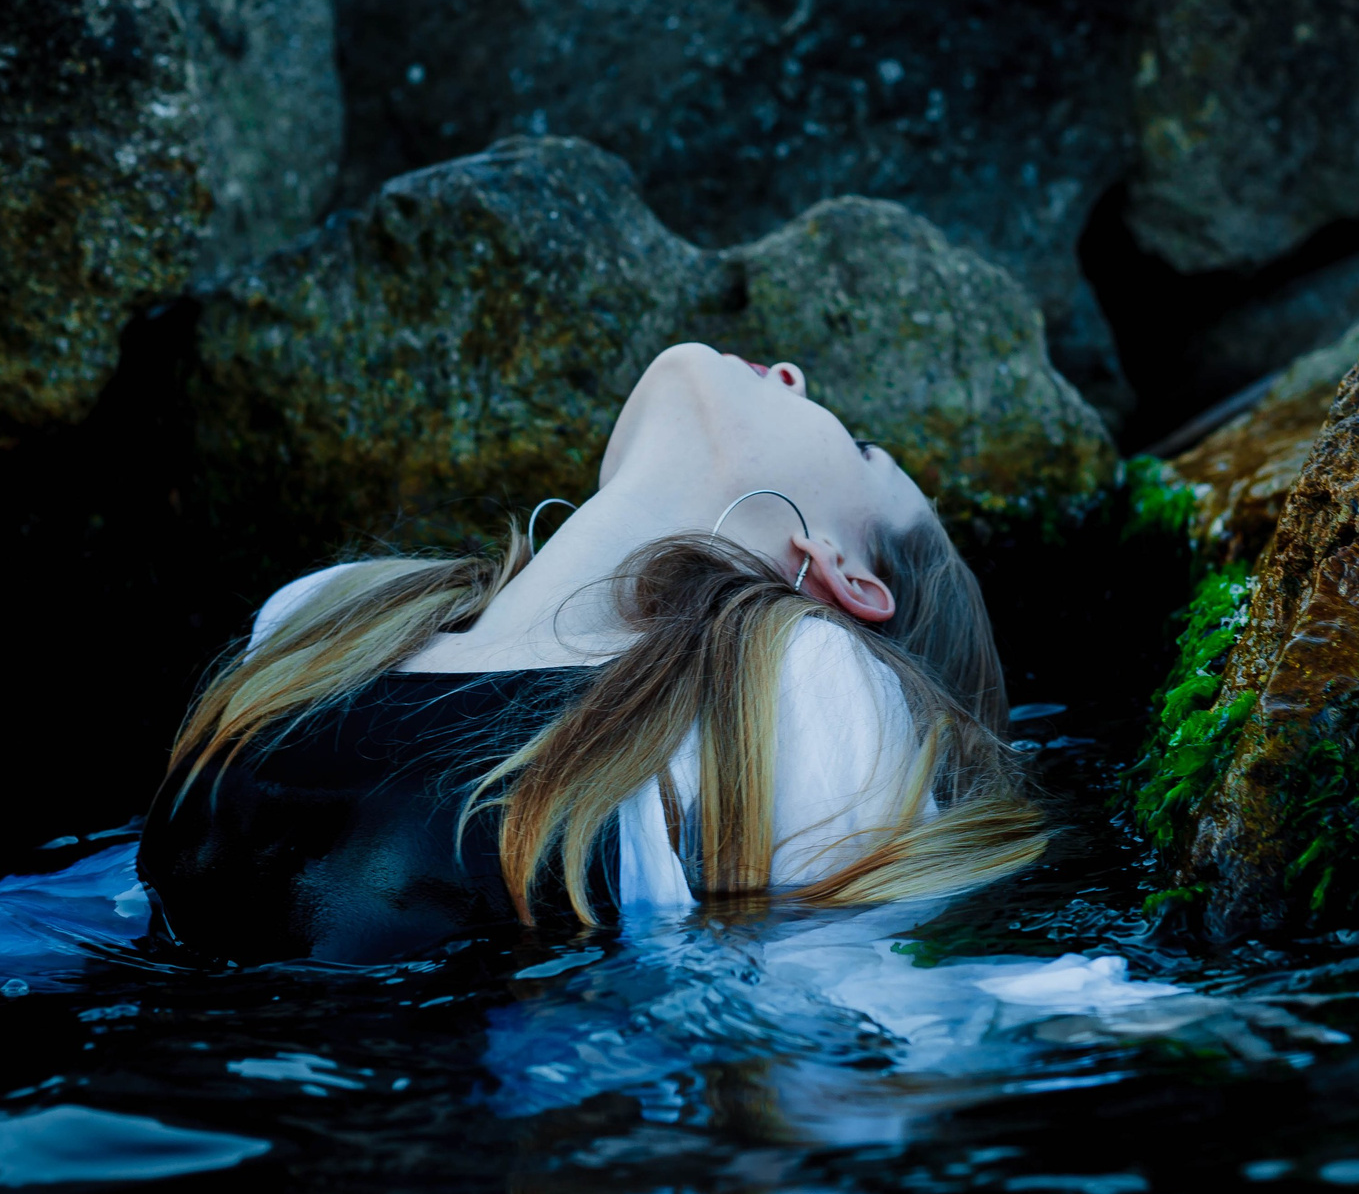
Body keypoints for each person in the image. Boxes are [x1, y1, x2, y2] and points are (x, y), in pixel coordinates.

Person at [137, 343, 1048, 964]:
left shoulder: (794, 690)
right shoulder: (335, 611)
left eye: (857, 445)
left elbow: (865, 1029)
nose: (788, 369)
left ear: (845, 575)